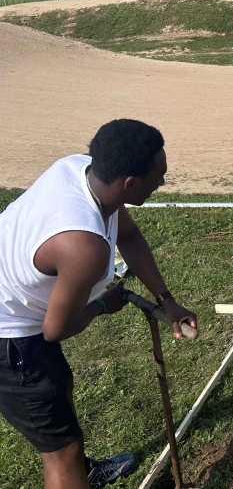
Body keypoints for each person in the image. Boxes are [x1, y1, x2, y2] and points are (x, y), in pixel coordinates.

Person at [0, 119, 198, 489]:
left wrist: (166, 301)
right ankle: (75, 469)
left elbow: (130, 235)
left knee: (61, 388)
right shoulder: (84, 246)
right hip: (10, 339)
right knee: (62, 454)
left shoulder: (81, 169)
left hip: (13, 307)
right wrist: (104, 305)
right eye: (159, 176)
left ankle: (82, 471)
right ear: (130, 184)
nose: (163, 184)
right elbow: (55, 329)